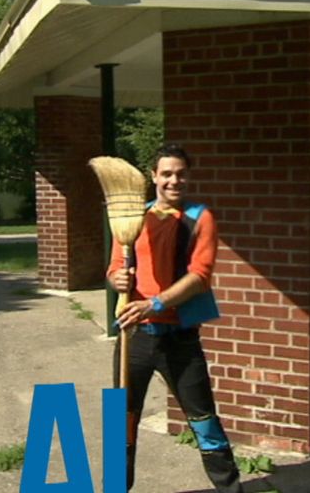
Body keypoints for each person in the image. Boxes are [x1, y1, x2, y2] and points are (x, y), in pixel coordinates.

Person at [108, 144, 243, 493]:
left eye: (181, 174)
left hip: (179, 338)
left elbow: (200, 277)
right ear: (153, 176)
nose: (174, 180)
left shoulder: (200, 217)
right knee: (121, 422)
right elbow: (114, 268)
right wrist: (116, 279)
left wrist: (154, 304)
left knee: (203, 420)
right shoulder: (131, 219)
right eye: (166, 173)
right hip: (134, 338)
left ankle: (230, 488)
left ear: (188, 176)